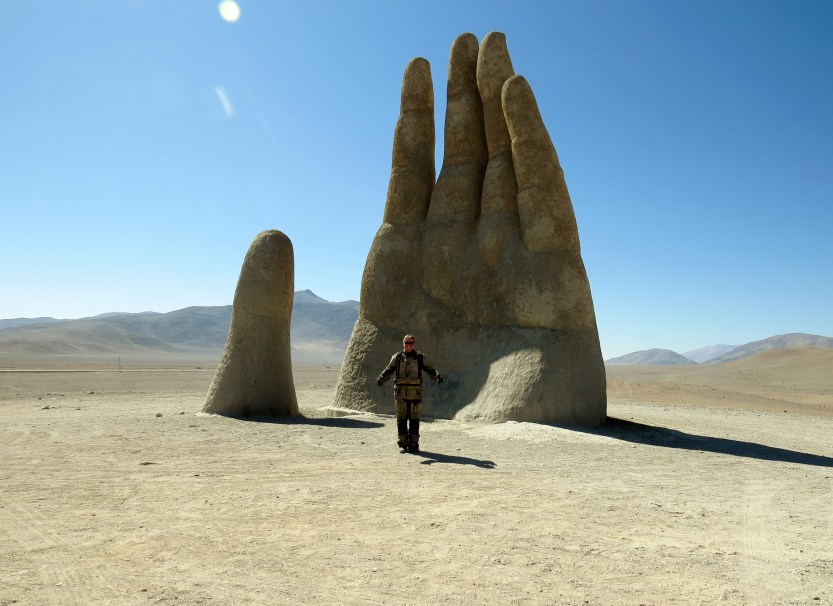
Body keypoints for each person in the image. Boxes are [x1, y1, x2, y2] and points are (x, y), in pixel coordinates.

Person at [377, 334, 443, 453]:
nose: (409, 345)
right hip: (400, 393)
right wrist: (382, 378)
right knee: (401, 419)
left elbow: (429, 369)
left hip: (415, 393)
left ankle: (414, 444)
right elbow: (389, 369)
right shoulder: (396, 357)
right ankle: (402, 444)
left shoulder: (420, 357)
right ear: (403, 344)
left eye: (411, 343)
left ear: (414, 344)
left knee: (414, 419)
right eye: (407, 343)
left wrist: (437, 376)